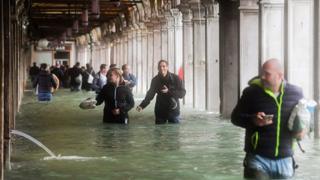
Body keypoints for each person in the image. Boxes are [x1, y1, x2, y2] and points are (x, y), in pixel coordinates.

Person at [231, 58, 304, 179]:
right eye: (262, 73)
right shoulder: (251, 93)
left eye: (267, 74)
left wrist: (302, 131)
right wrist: (253, 120)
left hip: (285, 160)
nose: (263, 77)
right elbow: (235, 118)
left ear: (280, 75)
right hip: (257, 159)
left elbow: (304, 122)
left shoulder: (296, 93)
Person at [136, 60, 186, 124]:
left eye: (164, 66)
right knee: (158, 133)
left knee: (174, 133)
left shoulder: (176, 78)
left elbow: (182, 93)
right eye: (160, 67)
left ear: (167, 67)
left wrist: (169, 91)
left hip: (173, 111)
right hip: (160, 111)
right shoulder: (155, 80)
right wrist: (142, 106)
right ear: (158, 68)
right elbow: (150, 95)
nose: (162, 68)